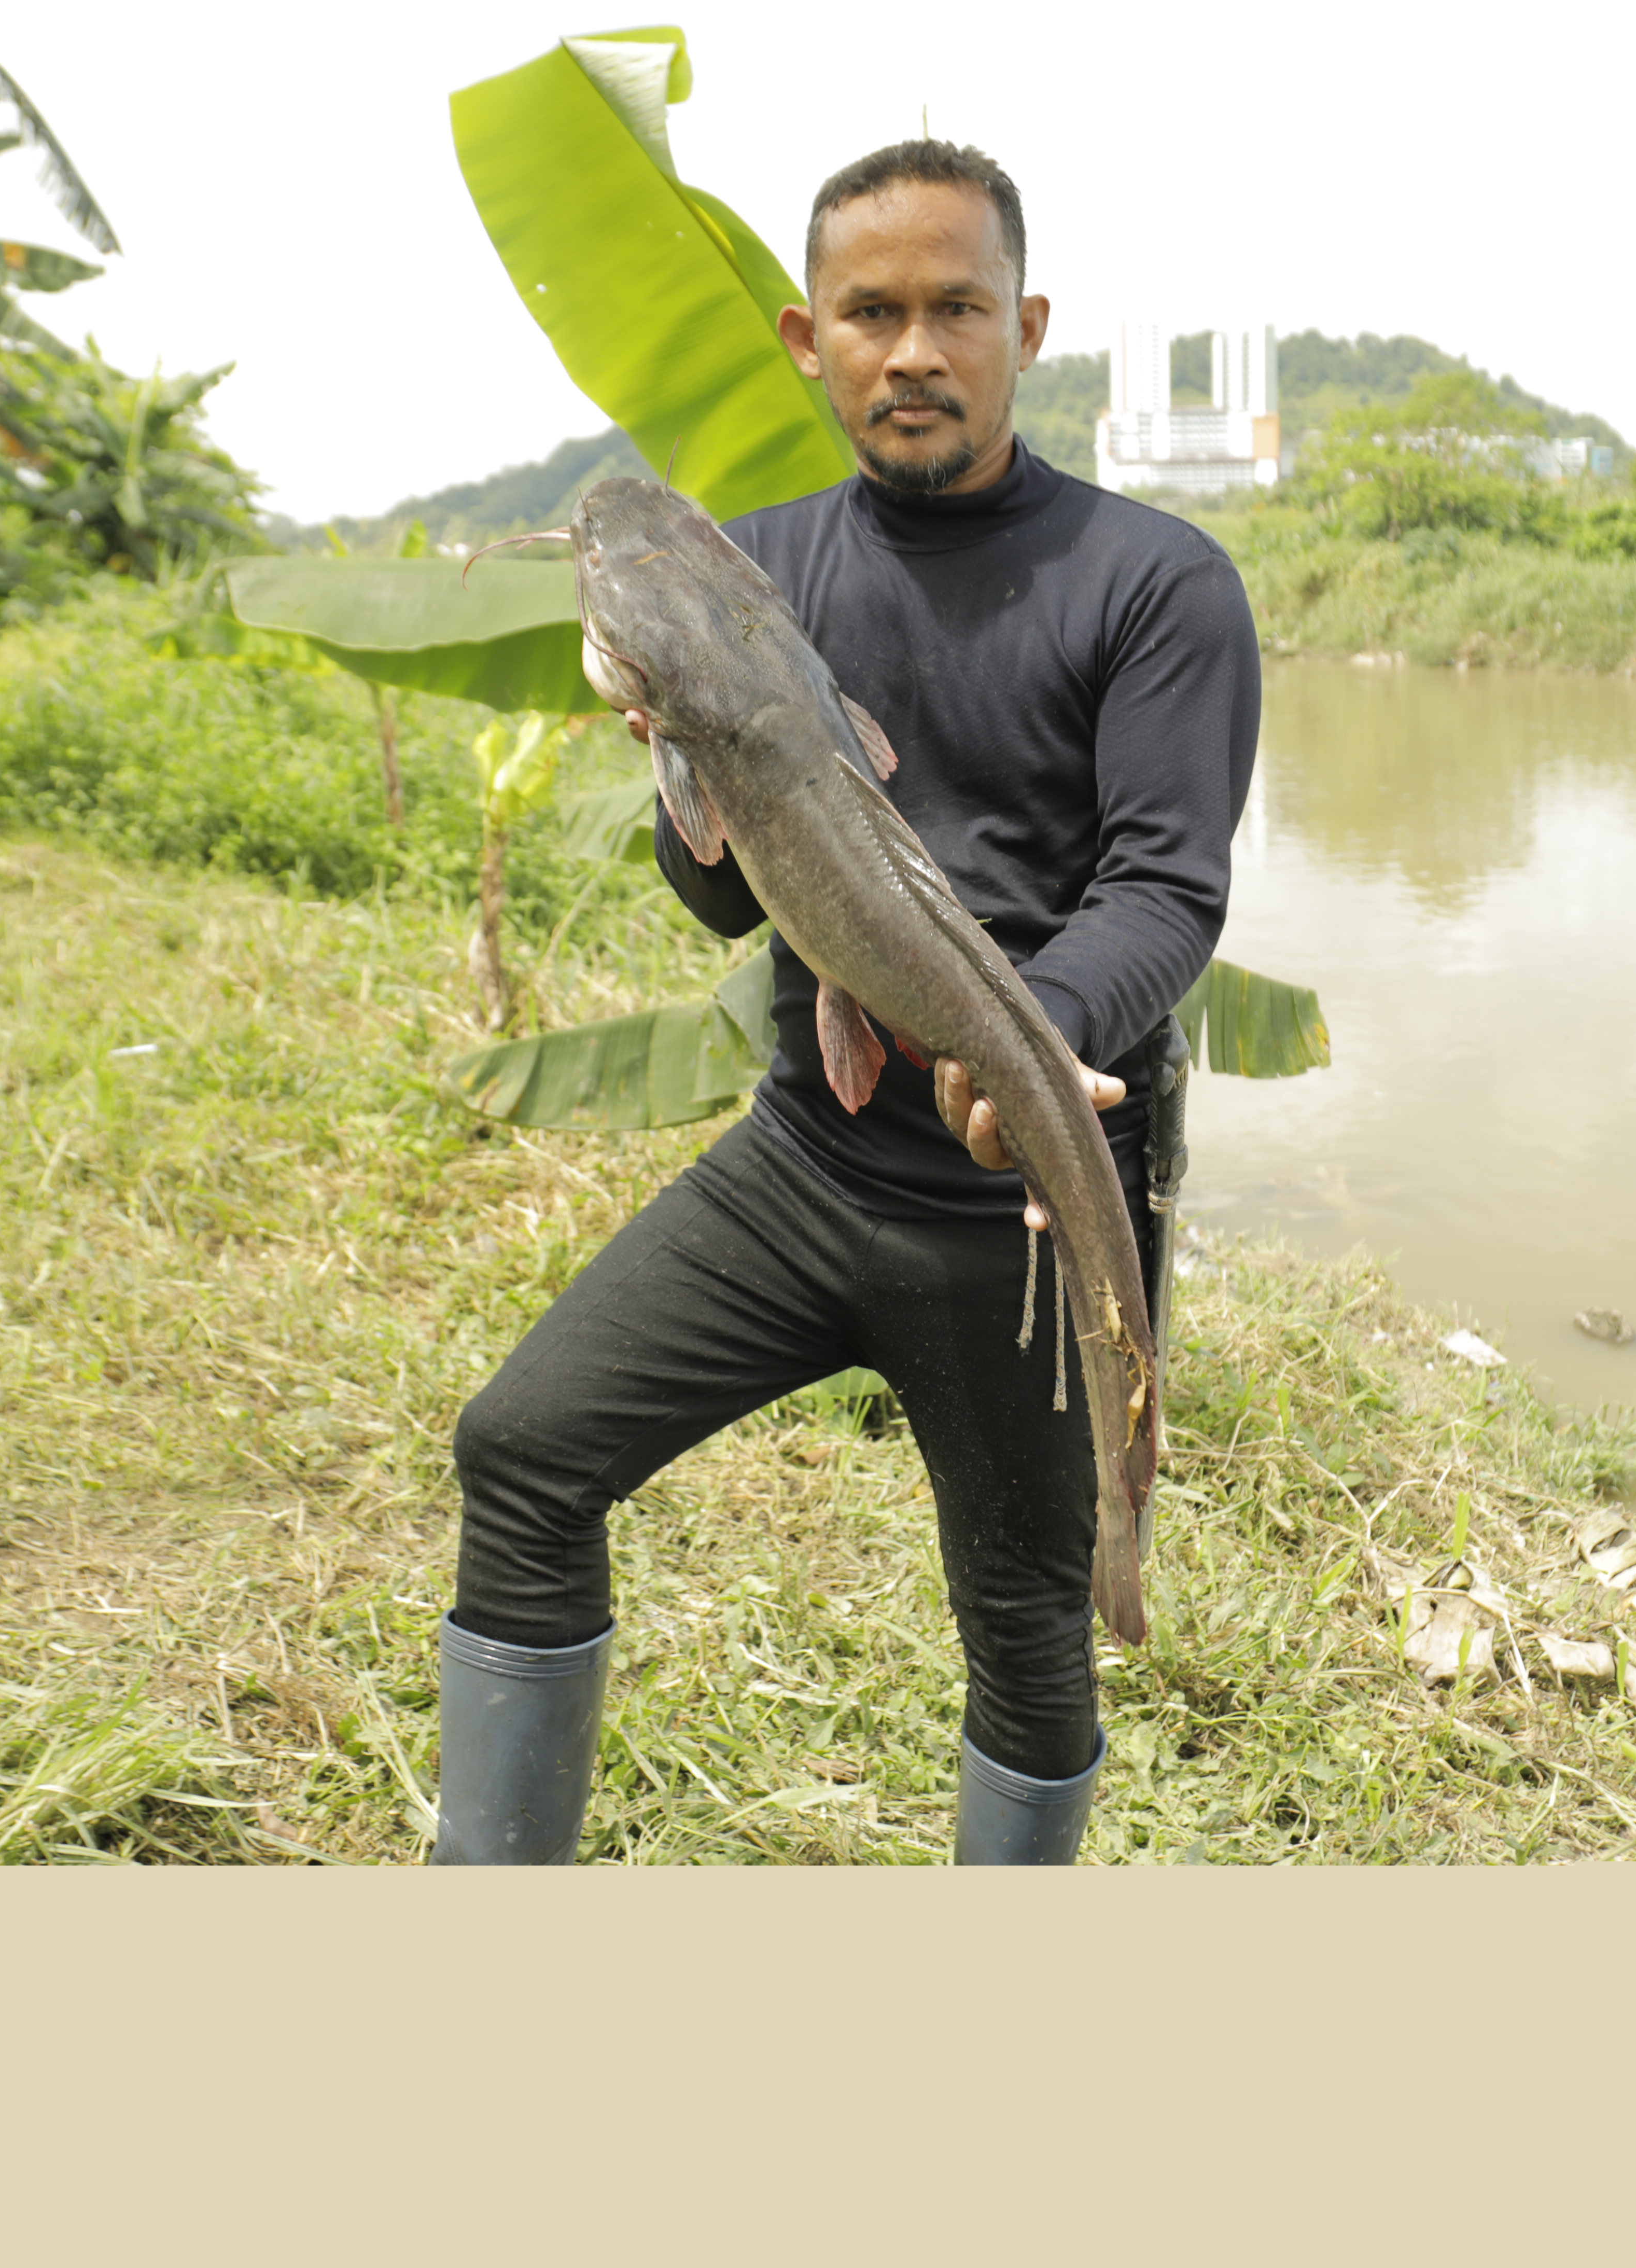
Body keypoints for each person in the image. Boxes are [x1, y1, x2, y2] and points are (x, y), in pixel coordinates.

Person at [434, 138, 1263, 1864]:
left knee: (1029, 1628)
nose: (914, 351)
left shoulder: (1158, 581)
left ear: (1024, 326)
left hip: (1029, 1196)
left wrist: (1034, 1038)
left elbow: (1168, 886)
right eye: (871, 314)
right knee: (522, 1451)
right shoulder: (757, 571)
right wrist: (675, 756)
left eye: (955, 307)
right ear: (810, 340)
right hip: (810, 1162)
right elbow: (730, 895)